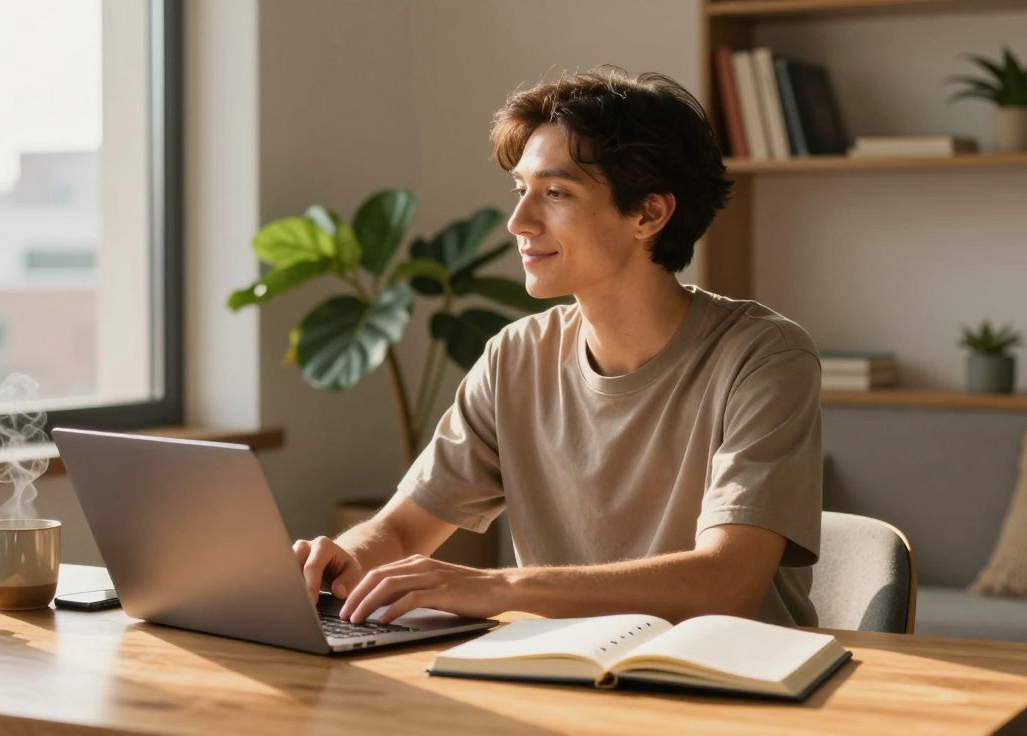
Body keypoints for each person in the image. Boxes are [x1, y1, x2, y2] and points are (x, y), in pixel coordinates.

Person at [294, 68, 822, 628]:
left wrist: (499, 588)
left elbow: (727, 582)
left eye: (555, 192)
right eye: (521, 191)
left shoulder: (765, 357)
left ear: (649, 213)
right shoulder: (516, 357)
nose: (518, 221)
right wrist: (340, 559)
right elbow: (402, 529)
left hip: (730, 688)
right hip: (560, 679)